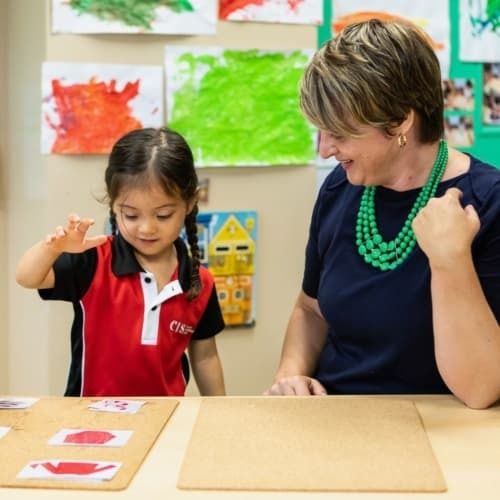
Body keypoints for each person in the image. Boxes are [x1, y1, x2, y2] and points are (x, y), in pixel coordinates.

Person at [265, 20, 500, 409]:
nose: (325, 150)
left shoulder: (486, 203)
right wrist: (290, 375)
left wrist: (449, 261)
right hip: (335, 417)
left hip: (442, 431)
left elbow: (481, 389)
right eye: (320, 131)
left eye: (339, 133)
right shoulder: (340, 188)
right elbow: (311, 309)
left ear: (400, 122)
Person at [16, 127, 226, 398]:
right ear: (114, 206)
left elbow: (205, 357)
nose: (147, 228)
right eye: (131, 215)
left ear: (189, 203)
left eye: (163, 215)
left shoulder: (200, 282)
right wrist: (53, 249)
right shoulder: (94, 261)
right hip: (89, 422)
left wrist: (219, 412)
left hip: (166, 421)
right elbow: (26, 277)